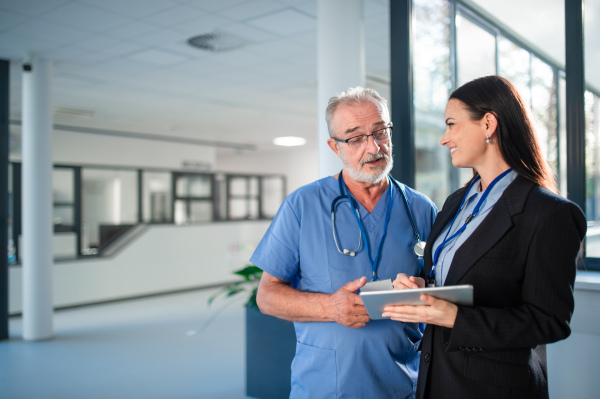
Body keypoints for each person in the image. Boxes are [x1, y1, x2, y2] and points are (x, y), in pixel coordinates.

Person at [382, 75, 587, 399]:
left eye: (451, 124)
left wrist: (456, 317)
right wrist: (425, 287)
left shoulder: (549, 214)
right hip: (435, 381)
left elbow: (548, 322)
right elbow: (452, 276)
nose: (444, 138)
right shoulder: (455, 203)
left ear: (488, 124)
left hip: (494, 388)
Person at [250, 86, 437, 398]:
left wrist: (423, 289)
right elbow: (266, 297)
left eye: (381, 132)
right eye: (355, 138)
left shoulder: (421, 209)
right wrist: (329, 307)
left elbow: (441, 287)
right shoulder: (303, 205)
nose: (373, 147)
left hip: (402, 383)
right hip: (324, 385)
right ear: (334, 147)